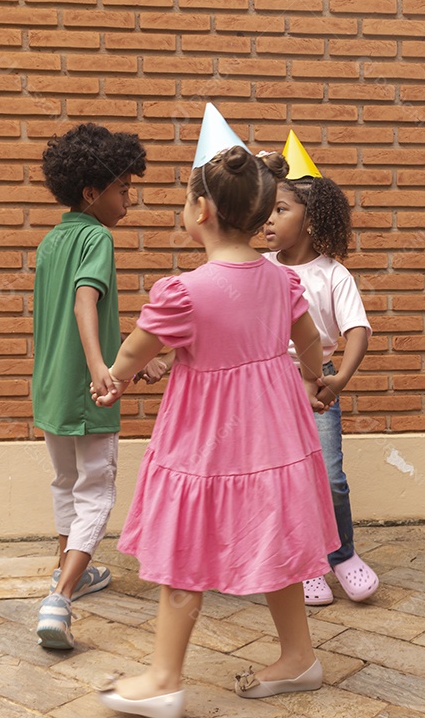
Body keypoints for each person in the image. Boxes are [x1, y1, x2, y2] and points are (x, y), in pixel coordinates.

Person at [90, 107, 338, 718]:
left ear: (201, 210)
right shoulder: (281, 282)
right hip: (275, 434)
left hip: (207, 439)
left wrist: (113, 379)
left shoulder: (184, 292)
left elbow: (135, 350)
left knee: (185, 544)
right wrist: (316, 378)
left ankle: (164, 678)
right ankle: (298, 656)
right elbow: (310, 342)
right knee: (277, 536)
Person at [32, 123, 154, 650]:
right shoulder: (97, 237)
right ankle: (59, 598)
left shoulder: (52, 241)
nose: (129, 201)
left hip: (50, 388)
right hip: (88, 390)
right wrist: (101, 366)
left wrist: (130, 357)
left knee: (66, 484)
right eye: (123, 190)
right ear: (91, 192)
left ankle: (71, 572)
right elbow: (86, 301)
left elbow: (72, 317)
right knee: (97, 490)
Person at [263, 131, 378, 606]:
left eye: (280, 210)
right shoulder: (260, 268)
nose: (268, 220)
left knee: (329, 476)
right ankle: (306, 563)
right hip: (270, 384)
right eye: (266, 210)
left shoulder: (333, 274)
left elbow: (358, 331)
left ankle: (342, 554)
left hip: (317, 383)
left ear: (310, 220)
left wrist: (338, 380)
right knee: (284, 480)